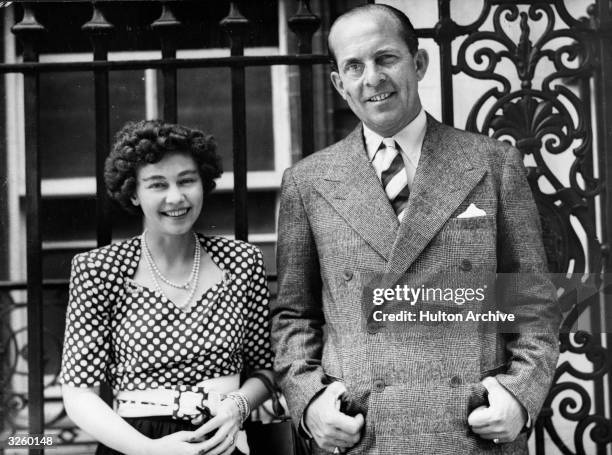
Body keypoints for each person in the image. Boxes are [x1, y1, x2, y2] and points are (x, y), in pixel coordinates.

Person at [272, 4, 560, 454]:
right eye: (354, 66)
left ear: (418, 62)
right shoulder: (308, 182)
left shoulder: (491, 164)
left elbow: (532, 303)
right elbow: (294, 316)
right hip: (363, 435)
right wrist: (309, 403)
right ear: (339, 83)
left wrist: (519, 397)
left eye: (386, 58)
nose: (372, 78)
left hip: (472, 432)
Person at [60, 120, 275, 455]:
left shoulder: (242, 261)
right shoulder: (99, 269)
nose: (176, 197)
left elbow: (265, 368)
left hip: (223, 439)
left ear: (203, 183)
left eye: (186, 181)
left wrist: (239, 406)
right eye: (157, 185)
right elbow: (78, 393)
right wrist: (149, 449)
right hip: (137, 442)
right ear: (133, 192)